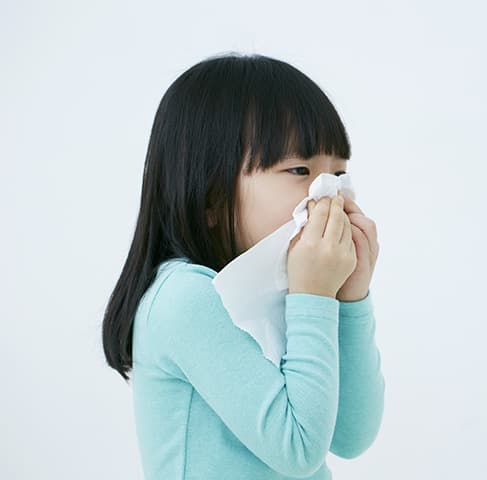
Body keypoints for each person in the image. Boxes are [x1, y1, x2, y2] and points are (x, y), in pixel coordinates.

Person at [101, 52, 385, 479]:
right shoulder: (185, 296)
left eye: (339, 174)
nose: (329, 195)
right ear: (213, 198)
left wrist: (349, 299)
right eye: (300, 169)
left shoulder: (280, 286)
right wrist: (314, 296)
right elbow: (298, 450)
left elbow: (351, 435)